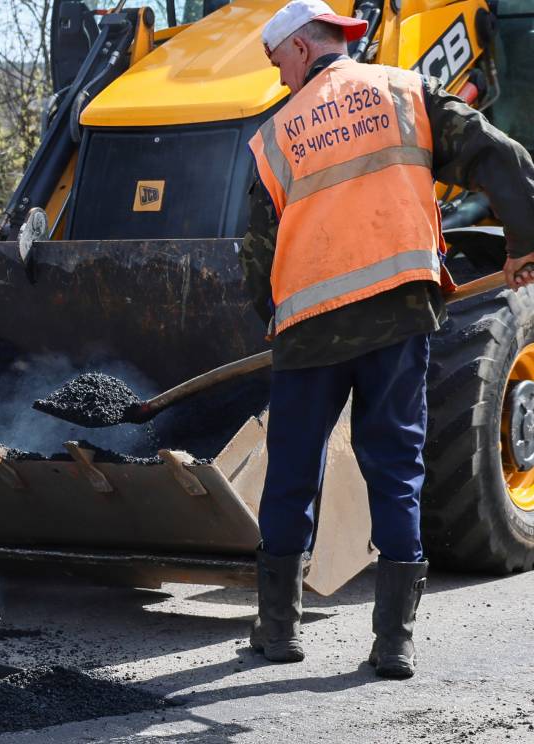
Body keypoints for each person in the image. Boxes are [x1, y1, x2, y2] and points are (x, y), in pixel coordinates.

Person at [242, 0, 534, 679]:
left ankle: (279, 632)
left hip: (311, 332)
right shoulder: (406, 92)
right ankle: (394, 644)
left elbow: (257, 258)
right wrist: (524, 240)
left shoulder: (274, 138)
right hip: (399, 319)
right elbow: (498, 154)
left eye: (277, 61)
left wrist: (270, 314)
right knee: (397, 471)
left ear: (302, 48)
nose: (278, 77)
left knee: (290, 476)